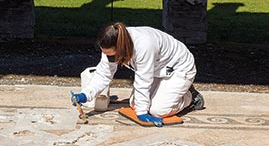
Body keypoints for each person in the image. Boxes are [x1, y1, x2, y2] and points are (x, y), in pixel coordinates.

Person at [71, 22, 204, 127]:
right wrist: (85, 94)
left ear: (121, 48)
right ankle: (175, 92)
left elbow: (143, 80)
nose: (110, 59)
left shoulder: (144, 45)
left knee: (159, 111)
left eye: (112, 56)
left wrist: (141, 113)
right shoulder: (111, 43)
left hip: (179, 68)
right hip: (156, 70)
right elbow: (103, 74)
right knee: (134, 104)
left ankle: (190, 96)